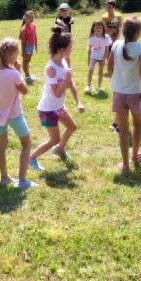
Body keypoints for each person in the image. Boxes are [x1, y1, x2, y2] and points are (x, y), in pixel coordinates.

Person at [29, 27, 85, 172]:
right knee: (54, 139)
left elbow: (71, 84)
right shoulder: (51, 68)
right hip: (47, 109)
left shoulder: (64, 62)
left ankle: (59, 149)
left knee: (72, 127)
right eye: (70, 48)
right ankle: (32, 157)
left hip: (59, 107)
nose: (71, 50)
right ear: (61, 49)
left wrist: (78, 101)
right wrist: (66, 82)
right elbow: (56, 92)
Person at [0, 38, 37, 189]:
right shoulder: (13, 74)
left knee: (2, 144)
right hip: (15, 114)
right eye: (16, 54)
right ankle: (22, 180)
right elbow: (24, 91)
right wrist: (18, 71)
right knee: (26, 143)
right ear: (11, 55)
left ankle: (4, 177)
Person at [107, 17, 141, 172]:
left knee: (123, 131)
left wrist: (118, 80)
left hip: (119, 93)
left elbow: (109, 67)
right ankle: (135, 155)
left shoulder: (116, 44)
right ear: (138, 32)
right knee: (137, 125)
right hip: (135, 93)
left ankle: (125, 164)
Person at [86, 20, 112, 94]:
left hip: (102, 57)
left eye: (100, 27)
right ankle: (88, 86)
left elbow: (107, 49)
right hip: (93, 57)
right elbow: (89, 49)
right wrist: (89, 59)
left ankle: (100, 86)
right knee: (90, 71)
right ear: (93, 28)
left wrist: (104, 59)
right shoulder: (91, 37)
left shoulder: (106, 38)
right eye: (96, 27)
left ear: (103, 28)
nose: (98, 29)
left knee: (100, 72)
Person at [19, 10, 37, 83]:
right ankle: (27, 76)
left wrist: (35, 46)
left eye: (32, 18)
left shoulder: (33, 25)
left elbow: (35, 36)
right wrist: (23, 51)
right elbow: (22, 41)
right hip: (26, 46)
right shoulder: (24, 29)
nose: (31, 19)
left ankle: (27, 75)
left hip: (31, 45)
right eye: (30, 18)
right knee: (25, 61)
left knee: (28, 61)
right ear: (25, 18)